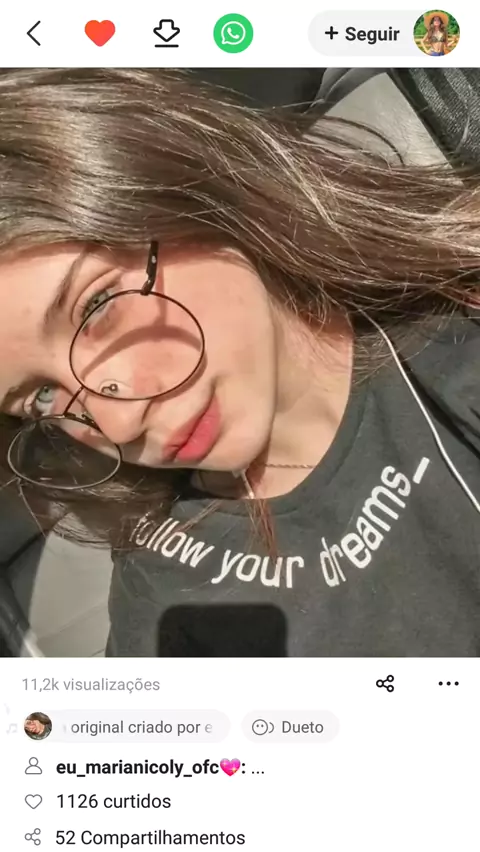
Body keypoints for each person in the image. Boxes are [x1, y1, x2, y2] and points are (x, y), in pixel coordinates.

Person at [0, 67, 480, 658]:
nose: (117, 425)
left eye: (97, 306)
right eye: (42, 397)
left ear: (185, 188)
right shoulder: (164, 598)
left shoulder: (454, 323)